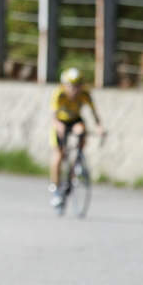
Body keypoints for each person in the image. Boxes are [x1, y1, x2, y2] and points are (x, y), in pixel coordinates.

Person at [48, 67, 104, 207]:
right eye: (71, 86)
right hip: (61, 121)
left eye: (78, 86)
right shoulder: (59, 94)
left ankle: (78, 158)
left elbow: (94, 112)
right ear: (65, 85)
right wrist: (58, 126)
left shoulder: (85, 94)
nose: (75, 90)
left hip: (75, 120)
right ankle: (55, 189)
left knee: (82, 130)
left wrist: (99, 126)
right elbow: (53, 117)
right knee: (59, 154)